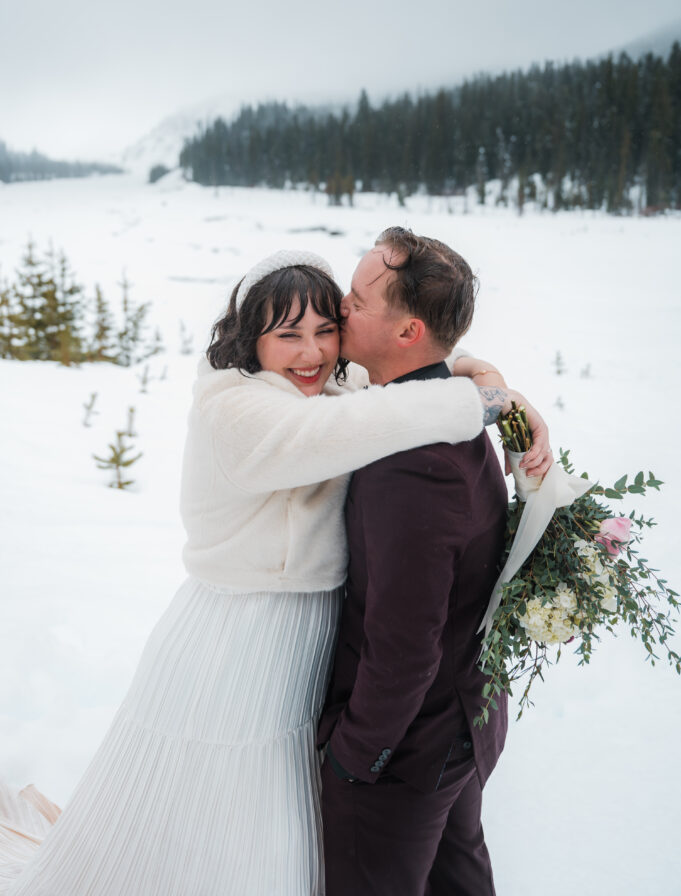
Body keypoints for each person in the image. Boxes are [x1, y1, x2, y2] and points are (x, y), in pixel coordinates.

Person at [0, 248, 548, 896]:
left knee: (278, 817)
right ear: (249, 339)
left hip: (303, 641)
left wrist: (483, 379)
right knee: (220, 810)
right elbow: (356, 422)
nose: (310, 352)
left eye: (325, 329)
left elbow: (396, 385)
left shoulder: (334, 390)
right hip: (237, 637)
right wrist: (482, 400)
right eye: (287, 335)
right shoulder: (236, 411)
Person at [319, 228, 520, 896]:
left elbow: (404, 646)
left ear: (407, 332)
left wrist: (354, 757)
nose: (338, 307)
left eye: (355, 298)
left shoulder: (414, 464)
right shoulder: (449, 413)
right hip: (457, 725)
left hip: (406, 752)